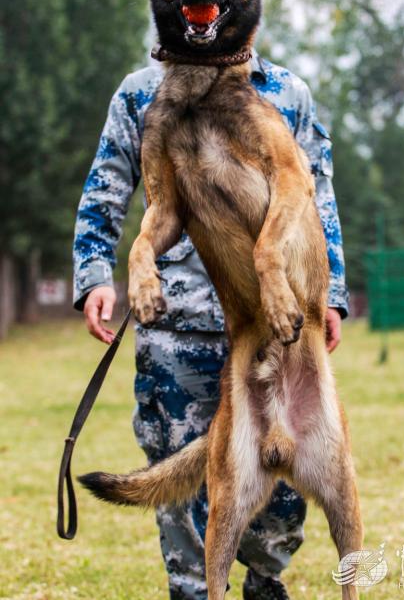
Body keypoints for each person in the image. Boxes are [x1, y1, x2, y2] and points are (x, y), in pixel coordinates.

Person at [73, 50, 349, 600]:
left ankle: (264, 579)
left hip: (278, 319)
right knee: (179, 467)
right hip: (175, 318)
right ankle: (193, 590)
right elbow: (106, 188)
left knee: (286, 475)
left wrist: (333, 291)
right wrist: (95, 275)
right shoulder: (139, 93)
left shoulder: (285, 90)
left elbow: (316, 194)